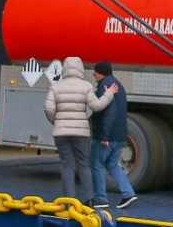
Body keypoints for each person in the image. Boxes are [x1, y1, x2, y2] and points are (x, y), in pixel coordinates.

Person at [42, 56, 114, 205]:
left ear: (65, 69)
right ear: (80, 69)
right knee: (83, 164)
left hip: (61, 133)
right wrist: (109, 94)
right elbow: (96, 106)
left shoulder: (56, 86)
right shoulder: (86, 86)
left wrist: (57, 121)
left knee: (67, 165)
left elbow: (48, 108)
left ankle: (69, 201)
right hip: (81, 133)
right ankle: (88, 200)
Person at [89, 61, 136, 210]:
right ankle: (128, 193)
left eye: (95, 71)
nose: (93, 74)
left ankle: (100, 199)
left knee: (96, 165)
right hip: (120, 135)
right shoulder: (118, 85)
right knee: (112, 164)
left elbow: (108, 114)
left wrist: (104, 137)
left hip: (107, 137)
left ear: (101, 72)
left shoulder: (105, 86)